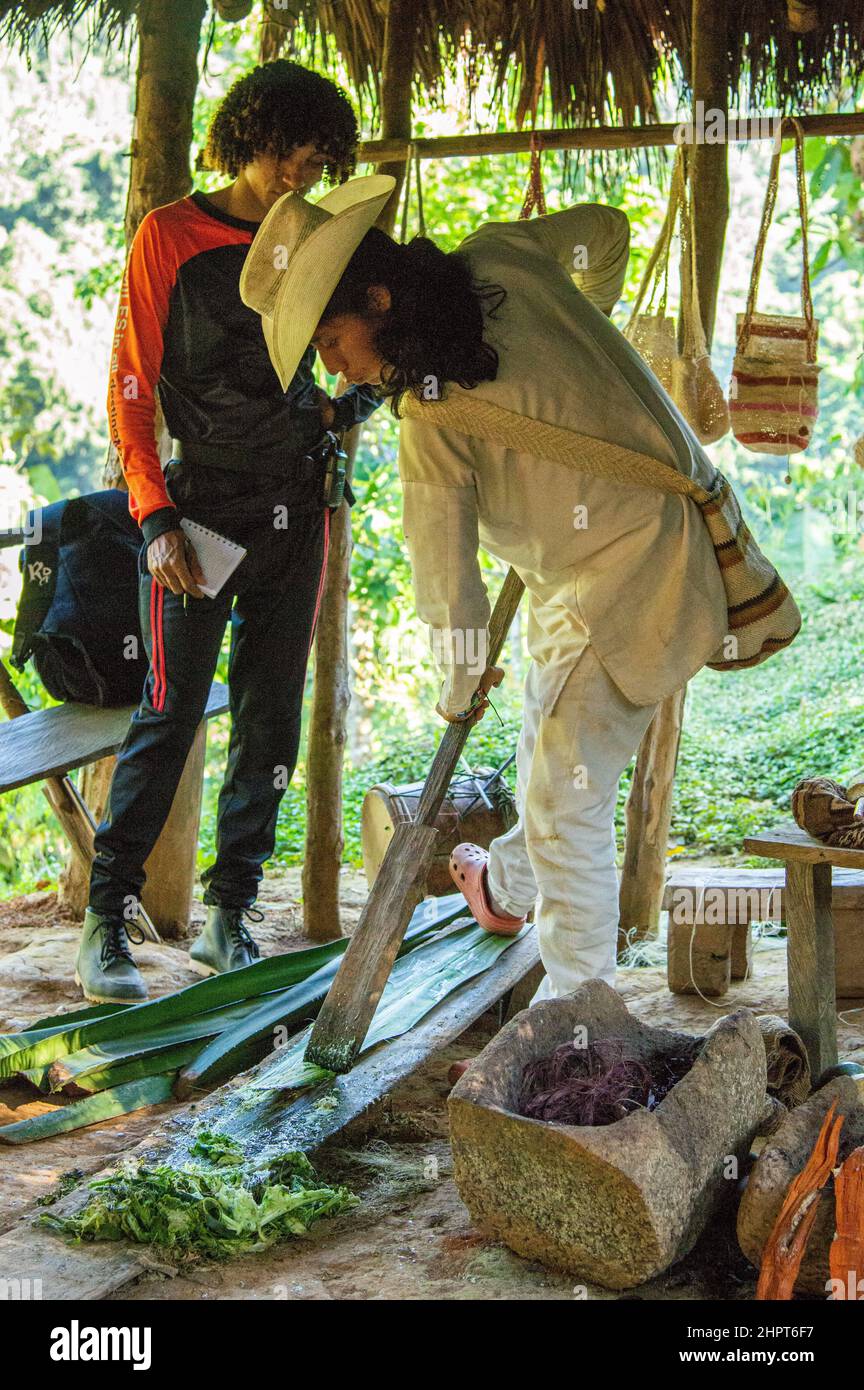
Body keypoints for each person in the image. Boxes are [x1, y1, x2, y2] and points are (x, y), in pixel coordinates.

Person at [250, 183, 730, 1004]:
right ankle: (505, 887)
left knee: (564, 799)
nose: (333, 367)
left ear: (378, 299)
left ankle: (579, 1016)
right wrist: (580, 354)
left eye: (332, 339)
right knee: (544, 743)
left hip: (626, 581)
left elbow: (446, 575)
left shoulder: (429, 420)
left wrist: (461, 680)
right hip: (599, 560)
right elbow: (606, 231)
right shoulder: (503, 253)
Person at [79, 62, 391, 1004]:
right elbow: (131, 390)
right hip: (199, 514)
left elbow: (356, 353)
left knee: (269, 716)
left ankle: (229, 918)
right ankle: (106, 923)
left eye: (320, 158)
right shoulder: (169, 236)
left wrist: (352, 407)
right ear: (254, 135)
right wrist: (156, 518)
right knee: (168, 714)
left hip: (301, 507)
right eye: (295, 151)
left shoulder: (325, 244)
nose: (306, 170)